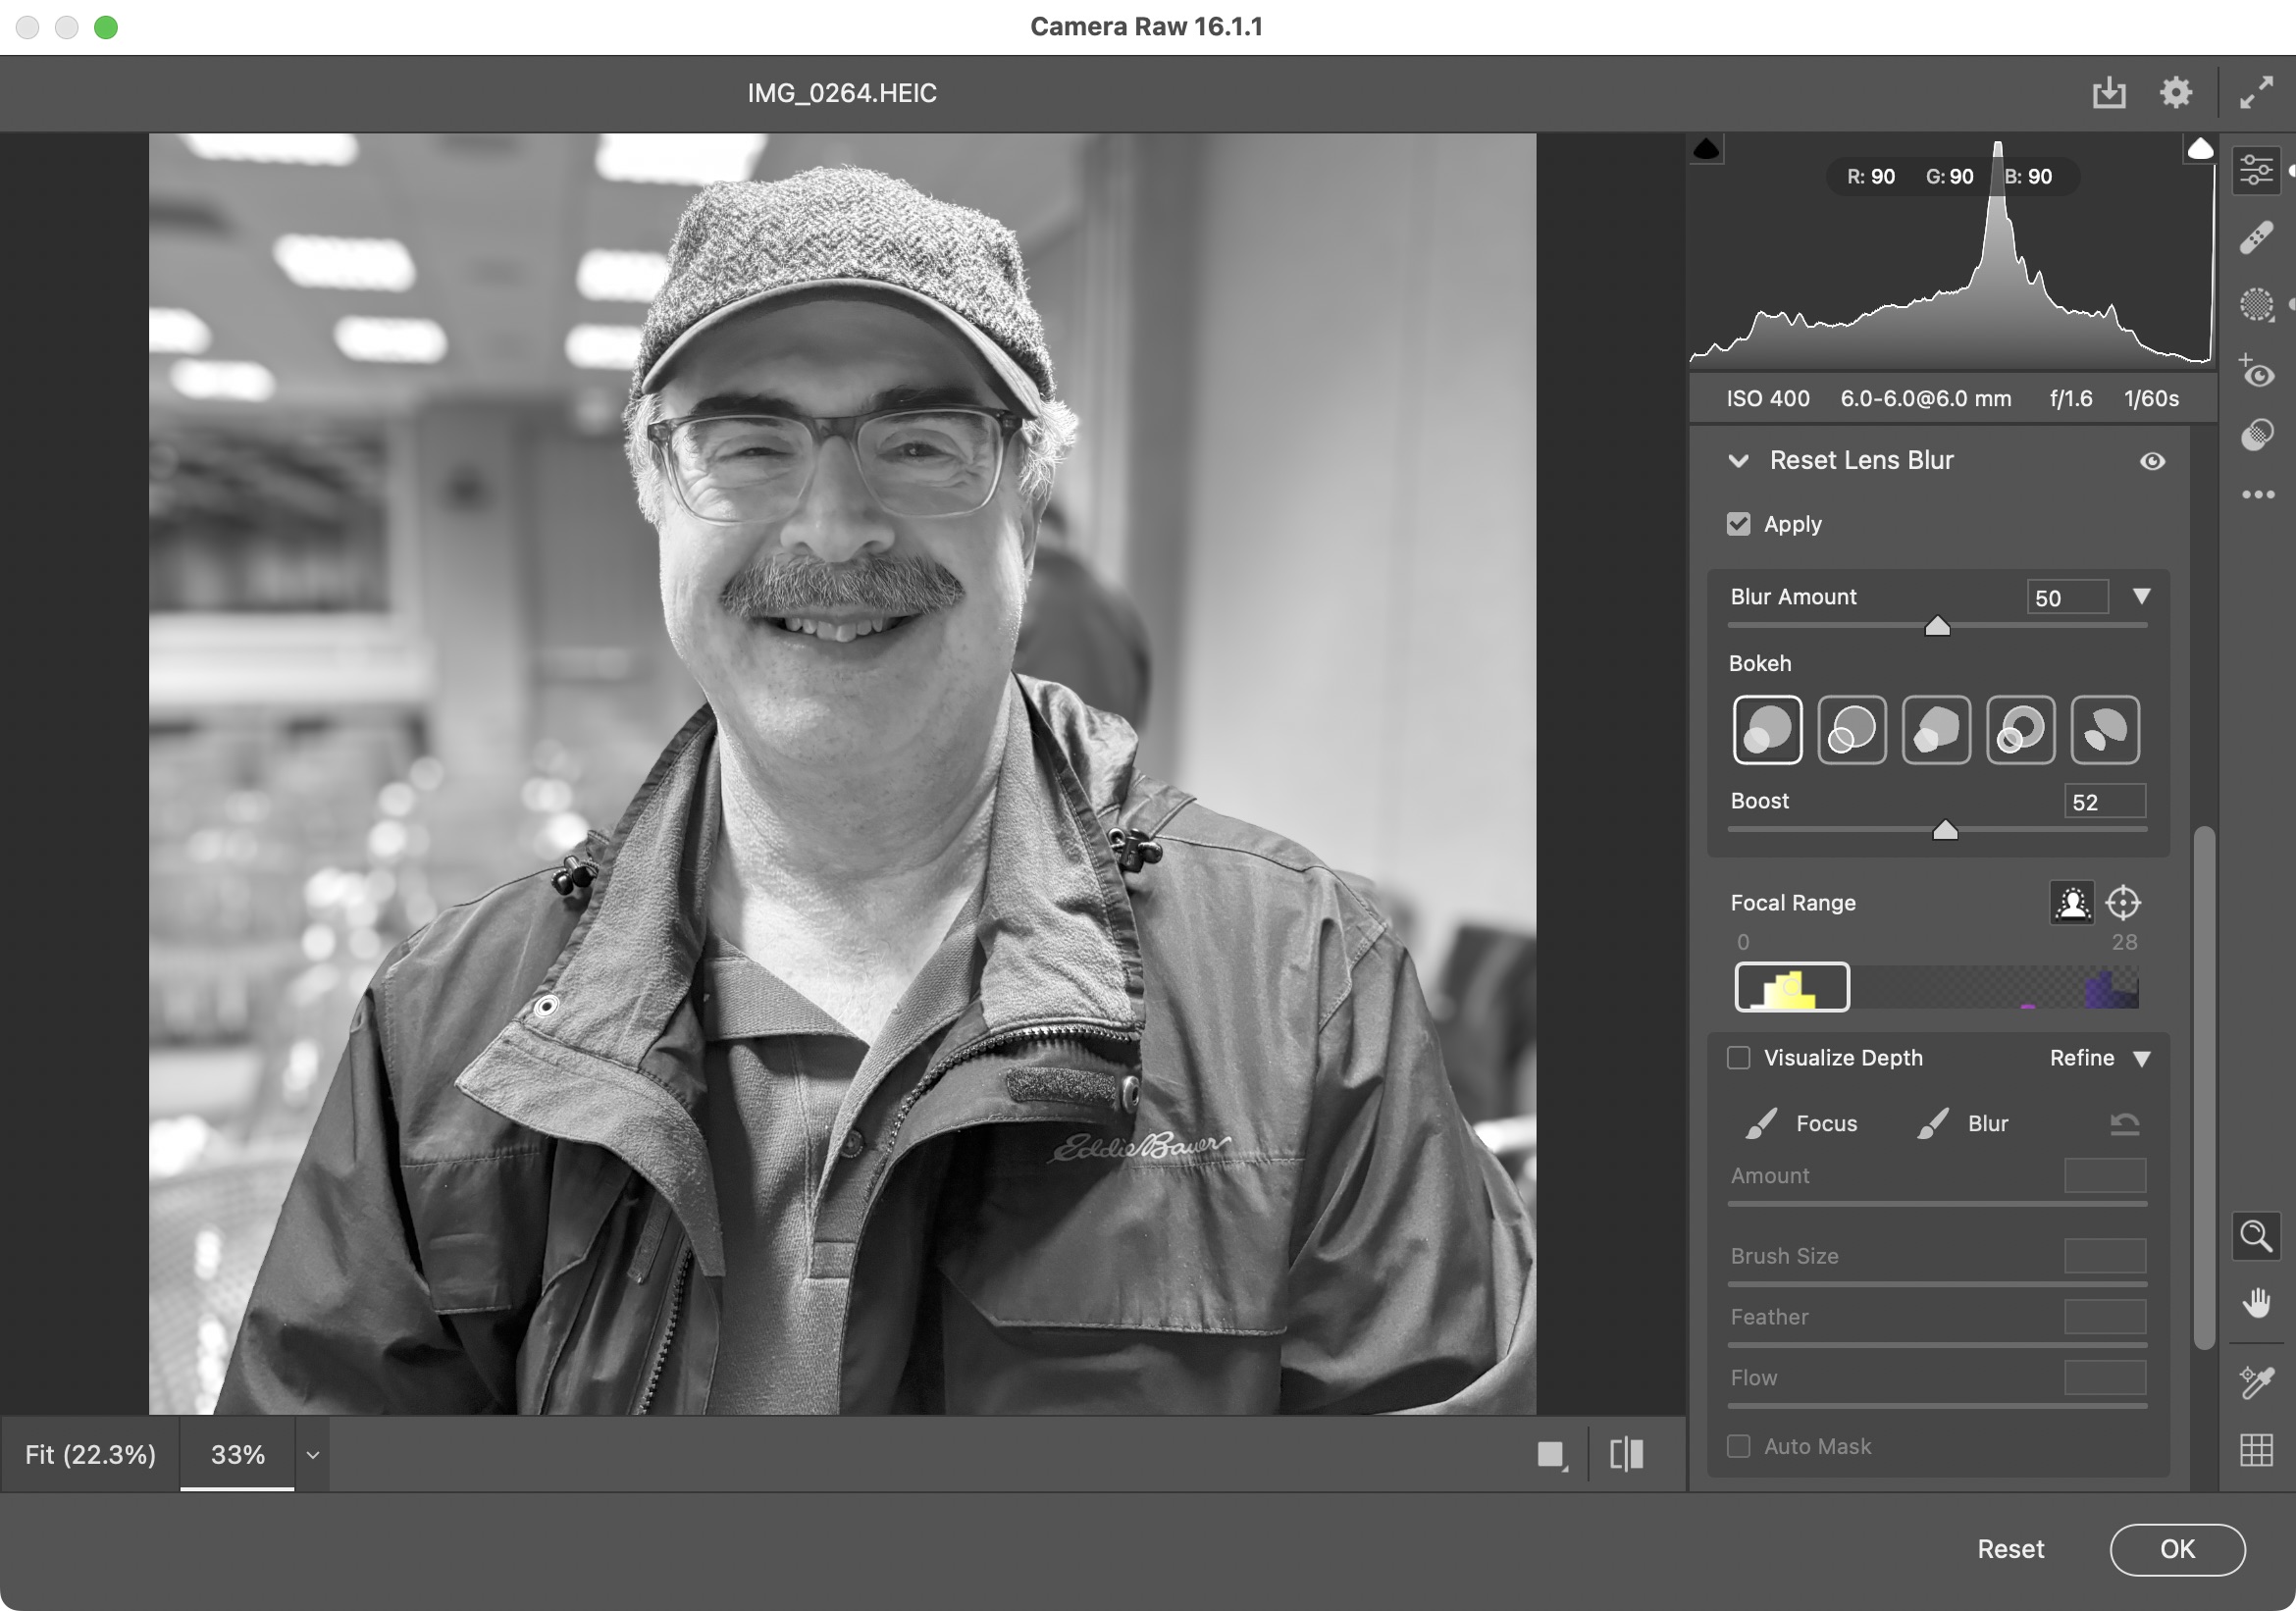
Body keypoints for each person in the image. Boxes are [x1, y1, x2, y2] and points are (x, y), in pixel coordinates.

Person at [221, 166, 1533, 1415]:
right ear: (651, 484)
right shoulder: (450, 1031)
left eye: (923, 443)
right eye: (747, 445)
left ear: (1029, 496)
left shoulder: (1303, 992)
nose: (835, 527)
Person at [1013, 502, 1152, 729]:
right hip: (1110, 752)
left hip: (1044, 751)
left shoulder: (1022, 595)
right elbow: (1141, 694)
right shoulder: (1116, 600)